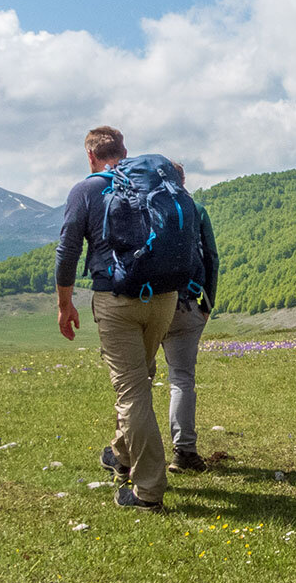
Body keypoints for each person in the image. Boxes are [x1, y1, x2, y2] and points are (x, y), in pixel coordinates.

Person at [55, 125, 181, 511]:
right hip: (165, 297)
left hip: (117, 299)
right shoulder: (152, 184)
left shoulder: (87, 189)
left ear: (91, 156)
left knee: (132, 392)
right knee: (140, 379)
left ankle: (146, 490)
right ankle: (121, 455)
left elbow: (68, 249)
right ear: (123, 153)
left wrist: (65, 304)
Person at [161, 162, 219, 473]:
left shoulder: (139, 208)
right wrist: (207, 302)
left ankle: (130, 454)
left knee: (136, 382)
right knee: (181, 379)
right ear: (182, 181)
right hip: (184, 304)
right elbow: (211, 257)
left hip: (141, 302)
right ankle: (183, 452)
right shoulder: (196, 210)